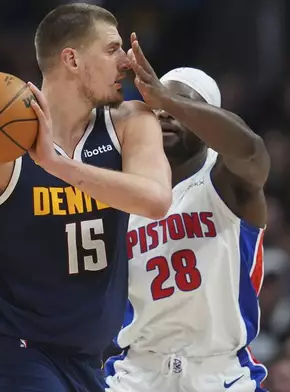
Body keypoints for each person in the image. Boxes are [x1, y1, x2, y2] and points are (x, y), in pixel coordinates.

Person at [0, 4, 172, 392]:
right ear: (72, 59)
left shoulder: (131, 122)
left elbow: (156, 200)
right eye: (112, 49)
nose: (126, 60)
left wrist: (57, 165)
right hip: (10, 346)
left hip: (92, 355)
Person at [104, 33, 271, 392]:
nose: (164, 112)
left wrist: (166, 97)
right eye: (158, 107)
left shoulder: (227, 183)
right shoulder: (124, 188)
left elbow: (252, 150)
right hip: (137, 371)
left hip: (218, 372)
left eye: (181, 105)